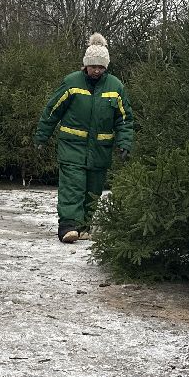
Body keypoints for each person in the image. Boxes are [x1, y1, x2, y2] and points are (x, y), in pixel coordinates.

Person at [33, 32, 136, 243]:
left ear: (106, 66)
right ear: (86, 65)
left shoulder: (116, 87)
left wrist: (125, 142)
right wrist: (42, 136)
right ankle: (68, 226)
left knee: (93, 189)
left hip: (100, 149)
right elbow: (52, 110)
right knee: (73, 185)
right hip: (72, 146)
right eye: (93, 66)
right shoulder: (71, 83)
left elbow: (125, 119)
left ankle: (84, 226)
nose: (96, 70)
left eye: (101, 67)